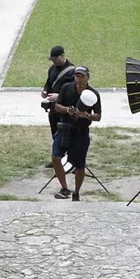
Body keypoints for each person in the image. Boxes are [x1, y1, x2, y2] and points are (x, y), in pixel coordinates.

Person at [52, 66, 101, 201]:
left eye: (82, 76)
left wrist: (87, 116)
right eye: (77, 76)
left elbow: (98, 116)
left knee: (80, 165)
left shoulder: (93, 94)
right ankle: (64, 187)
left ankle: (77, 192)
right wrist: (68, 110)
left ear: (88, 77)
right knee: (56, 157)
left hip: (81, 132)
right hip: (64, 129)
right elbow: (57, 106)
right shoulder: (66, 88)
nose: (79, 79)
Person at [42, 45, 77, 198]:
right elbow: (48, 83)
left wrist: (58, 96)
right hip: (53, 108)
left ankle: (71, 162)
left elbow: (70, 89)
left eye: (56, 59)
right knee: (55, 134)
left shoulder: (71, 72)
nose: (54, 62)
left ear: (63, 56)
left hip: (63, 108)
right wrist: (45, 91)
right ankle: (58, 160)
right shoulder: (52, 69)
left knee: (66, 137)